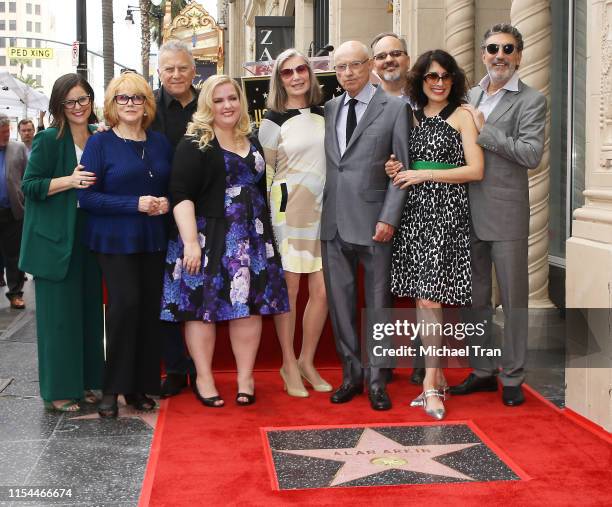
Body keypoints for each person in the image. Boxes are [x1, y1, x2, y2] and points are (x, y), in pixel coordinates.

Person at [160, 75, 289, 407]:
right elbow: (181, 194)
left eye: (232, 98)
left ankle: (245, 378)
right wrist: (190, 242)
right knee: (203, 308)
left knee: (248, 308)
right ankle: (204, 377)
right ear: (207, 105)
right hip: (208, 237)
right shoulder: (195, 142)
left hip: (252, 237)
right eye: (218, 100)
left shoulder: (252, 138)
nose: (227, 105)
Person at [449, 23, 546, 407]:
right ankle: (483, 370)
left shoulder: (531, 100)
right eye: (493, 49)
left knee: (513, 298)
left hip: (505, 212)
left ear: (519, 55)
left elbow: (531, 155)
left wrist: (486, 130)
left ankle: (513, 376)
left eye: (508, 49)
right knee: (474, 298)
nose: (499, 56)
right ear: (483, 53)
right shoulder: (469, 94)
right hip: (464, 210)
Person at [385, 50, 484, 419]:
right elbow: (399, 162)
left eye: (445, 76)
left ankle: (429, 383)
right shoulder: (408, 116)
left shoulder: (462, 116)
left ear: (454, 79)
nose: (439, 82)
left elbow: (475, 170)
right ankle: (436, 373)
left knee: (431, 298)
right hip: (413, 215)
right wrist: (394, 165)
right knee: (424, 299)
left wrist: (426, 174)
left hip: (447, 215)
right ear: (420, 81)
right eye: (431, 77)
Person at [321, 41, 411, 411]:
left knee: (377, 305)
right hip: (334, 224)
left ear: (369, 65)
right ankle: (351, 375)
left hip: (376, 224)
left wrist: (390, 216)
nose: (347, 73)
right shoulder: (329, 108)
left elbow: (401, 168)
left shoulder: (395, 107)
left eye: (354, 65)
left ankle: (377, 380)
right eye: (340, 67)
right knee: (341, 306)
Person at [78, 72, 172, 417]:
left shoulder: (161, 143)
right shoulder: (100, 144)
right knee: (124, 307)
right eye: (123, 98)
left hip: (153, 238)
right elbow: (85, 198)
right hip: (113, 239)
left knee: (149, 310)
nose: (131, 104)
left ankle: (139, 388)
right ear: (113, 104)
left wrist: (166, 202)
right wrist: (134, 204)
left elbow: (173, 186)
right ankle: (112, 388)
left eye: (137, 98)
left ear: (147, 104)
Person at [20, 73, 105, 412]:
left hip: (90, 238)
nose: (78, 107)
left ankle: (85, 382)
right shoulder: (47, 140)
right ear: (59, 106)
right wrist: (69, 180)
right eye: (70, 101)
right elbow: (31, 186)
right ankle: (58, 390)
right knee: (58, 321)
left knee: (87, 315)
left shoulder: (100, 137)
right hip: (55, 241)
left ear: (91, 100)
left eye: (83, 99)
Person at [258, 49, 330, 398]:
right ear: (279, 79)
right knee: (289, 291)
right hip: (289, 212)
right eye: (287, 72)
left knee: (322, 292)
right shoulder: (272, 120)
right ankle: (287, 362)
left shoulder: (325, 112)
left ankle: (306, 360)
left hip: (324, 211)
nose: (297, 76)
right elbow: (267, 172)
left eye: (302, 69)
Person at [150, 39, 199, 397]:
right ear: (159, 72)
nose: (176, 74)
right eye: (169, 68)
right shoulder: (147, 106)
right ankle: (177, 367)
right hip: (157, 216)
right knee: (162, 299)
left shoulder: (210, 102)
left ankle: (204, 369)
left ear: (194, 71)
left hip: (207, 216)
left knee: (202, 295)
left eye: (183, 67)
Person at [0, 114, 27, 309]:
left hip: (13, 210)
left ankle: (15, 293)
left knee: (14, 255)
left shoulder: (18, 148)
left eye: (7, 131)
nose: (5, 136)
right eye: (1, 133)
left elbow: (27, 177)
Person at [370, 32, 411, 99]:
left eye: (396, 54)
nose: (389, 60)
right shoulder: (366, 103)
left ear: (408, 61)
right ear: (374, 65)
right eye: (381, 56)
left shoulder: (427, 97)